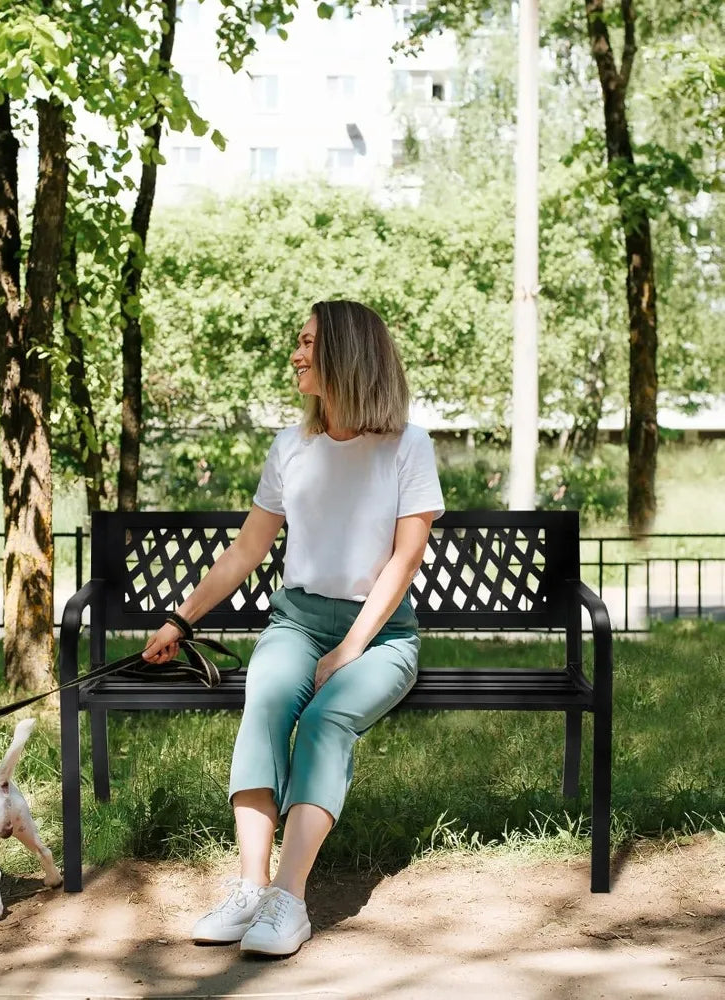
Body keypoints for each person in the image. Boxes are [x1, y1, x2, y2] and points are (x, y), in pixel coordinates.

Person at [141, 300, 445, 957]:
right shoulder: (291, 446)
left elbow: (405, 557)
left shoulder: (407, 445)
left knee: (327, 718)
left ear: (346, 354)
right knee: (267, 701)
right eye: (297, 342)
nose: (295, 355)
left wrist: (350, 647)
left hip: (383, 636)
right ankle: (250, 888)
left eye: (307, 343)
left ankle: (288, 898)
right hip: (296, 621)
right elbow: (247, 551)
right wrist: (180, 619)